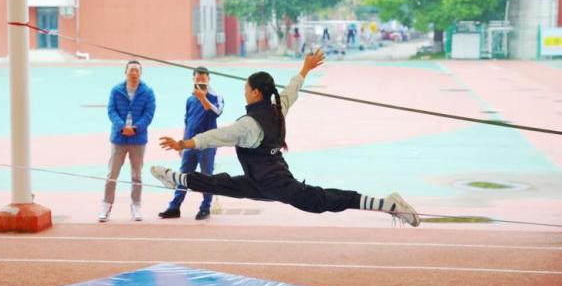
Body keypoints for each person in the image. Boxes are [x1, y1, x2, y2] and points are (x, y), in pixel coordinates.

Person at [150, 50, 420, 227]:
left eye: (246, 89)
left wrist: (183, 143)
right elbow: (292, 89)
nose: (244, 93)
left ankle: (388, 204)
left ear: (256, 93)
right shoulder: (277, 107)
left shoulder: (248, 124)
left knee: (319, 202)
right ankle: (174, 178)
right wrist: (305, 69)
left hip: (276, 184)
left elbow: (217, 136)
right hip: (260, 182)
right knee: (221, 184)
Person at [158, 67, 224, 221]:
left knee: (206, 176)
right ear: (193, 79)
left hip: (207, 145)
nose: (200, 82)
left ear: (208, 80)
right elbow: (187, 122)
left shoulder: (216, 97)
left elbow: (216, 113)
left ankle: (205, 208)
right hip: (188, 144)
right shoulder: (190, 100)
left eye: (203, 79)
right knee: (183, 175)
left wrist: (203, 98)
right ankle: (174, 207)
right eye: (197, 79)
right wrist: (181, 144)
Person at [99, 60, 156, 222]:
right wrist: (121, 126)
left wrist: (136, 128)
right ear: (125, 72)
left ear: (141, 73)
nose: (134, 73)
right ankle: (106, 207)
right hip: (119, 138)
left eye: (137, 70)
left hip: (138, 139)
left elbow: (149, 113)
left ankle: (136, 206)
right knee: (112, 174)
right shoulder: (116, 90)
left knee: (137, 175)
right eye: (131, 70)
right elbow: (111, 111)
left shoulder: (148, 92)